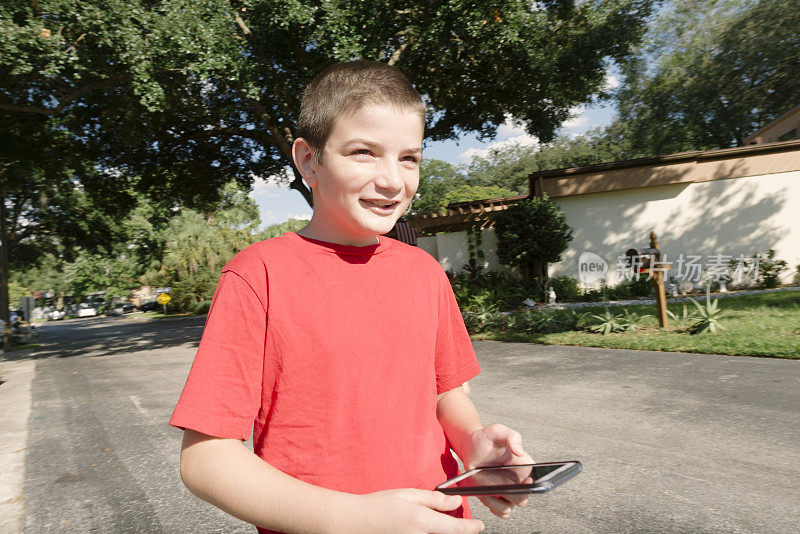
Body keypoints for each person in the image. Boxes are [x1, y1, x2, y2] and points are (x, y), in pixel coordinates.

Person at [170, 60, 532, 534]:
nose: (392, 181)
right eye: (364, 152)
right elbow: (206, 460)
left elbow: (447, 395)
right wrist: (357, 518)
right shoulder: (258, 275)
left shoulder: (424, 273)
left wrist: (475, 444)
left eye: (409, 158)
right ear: (308, 161)